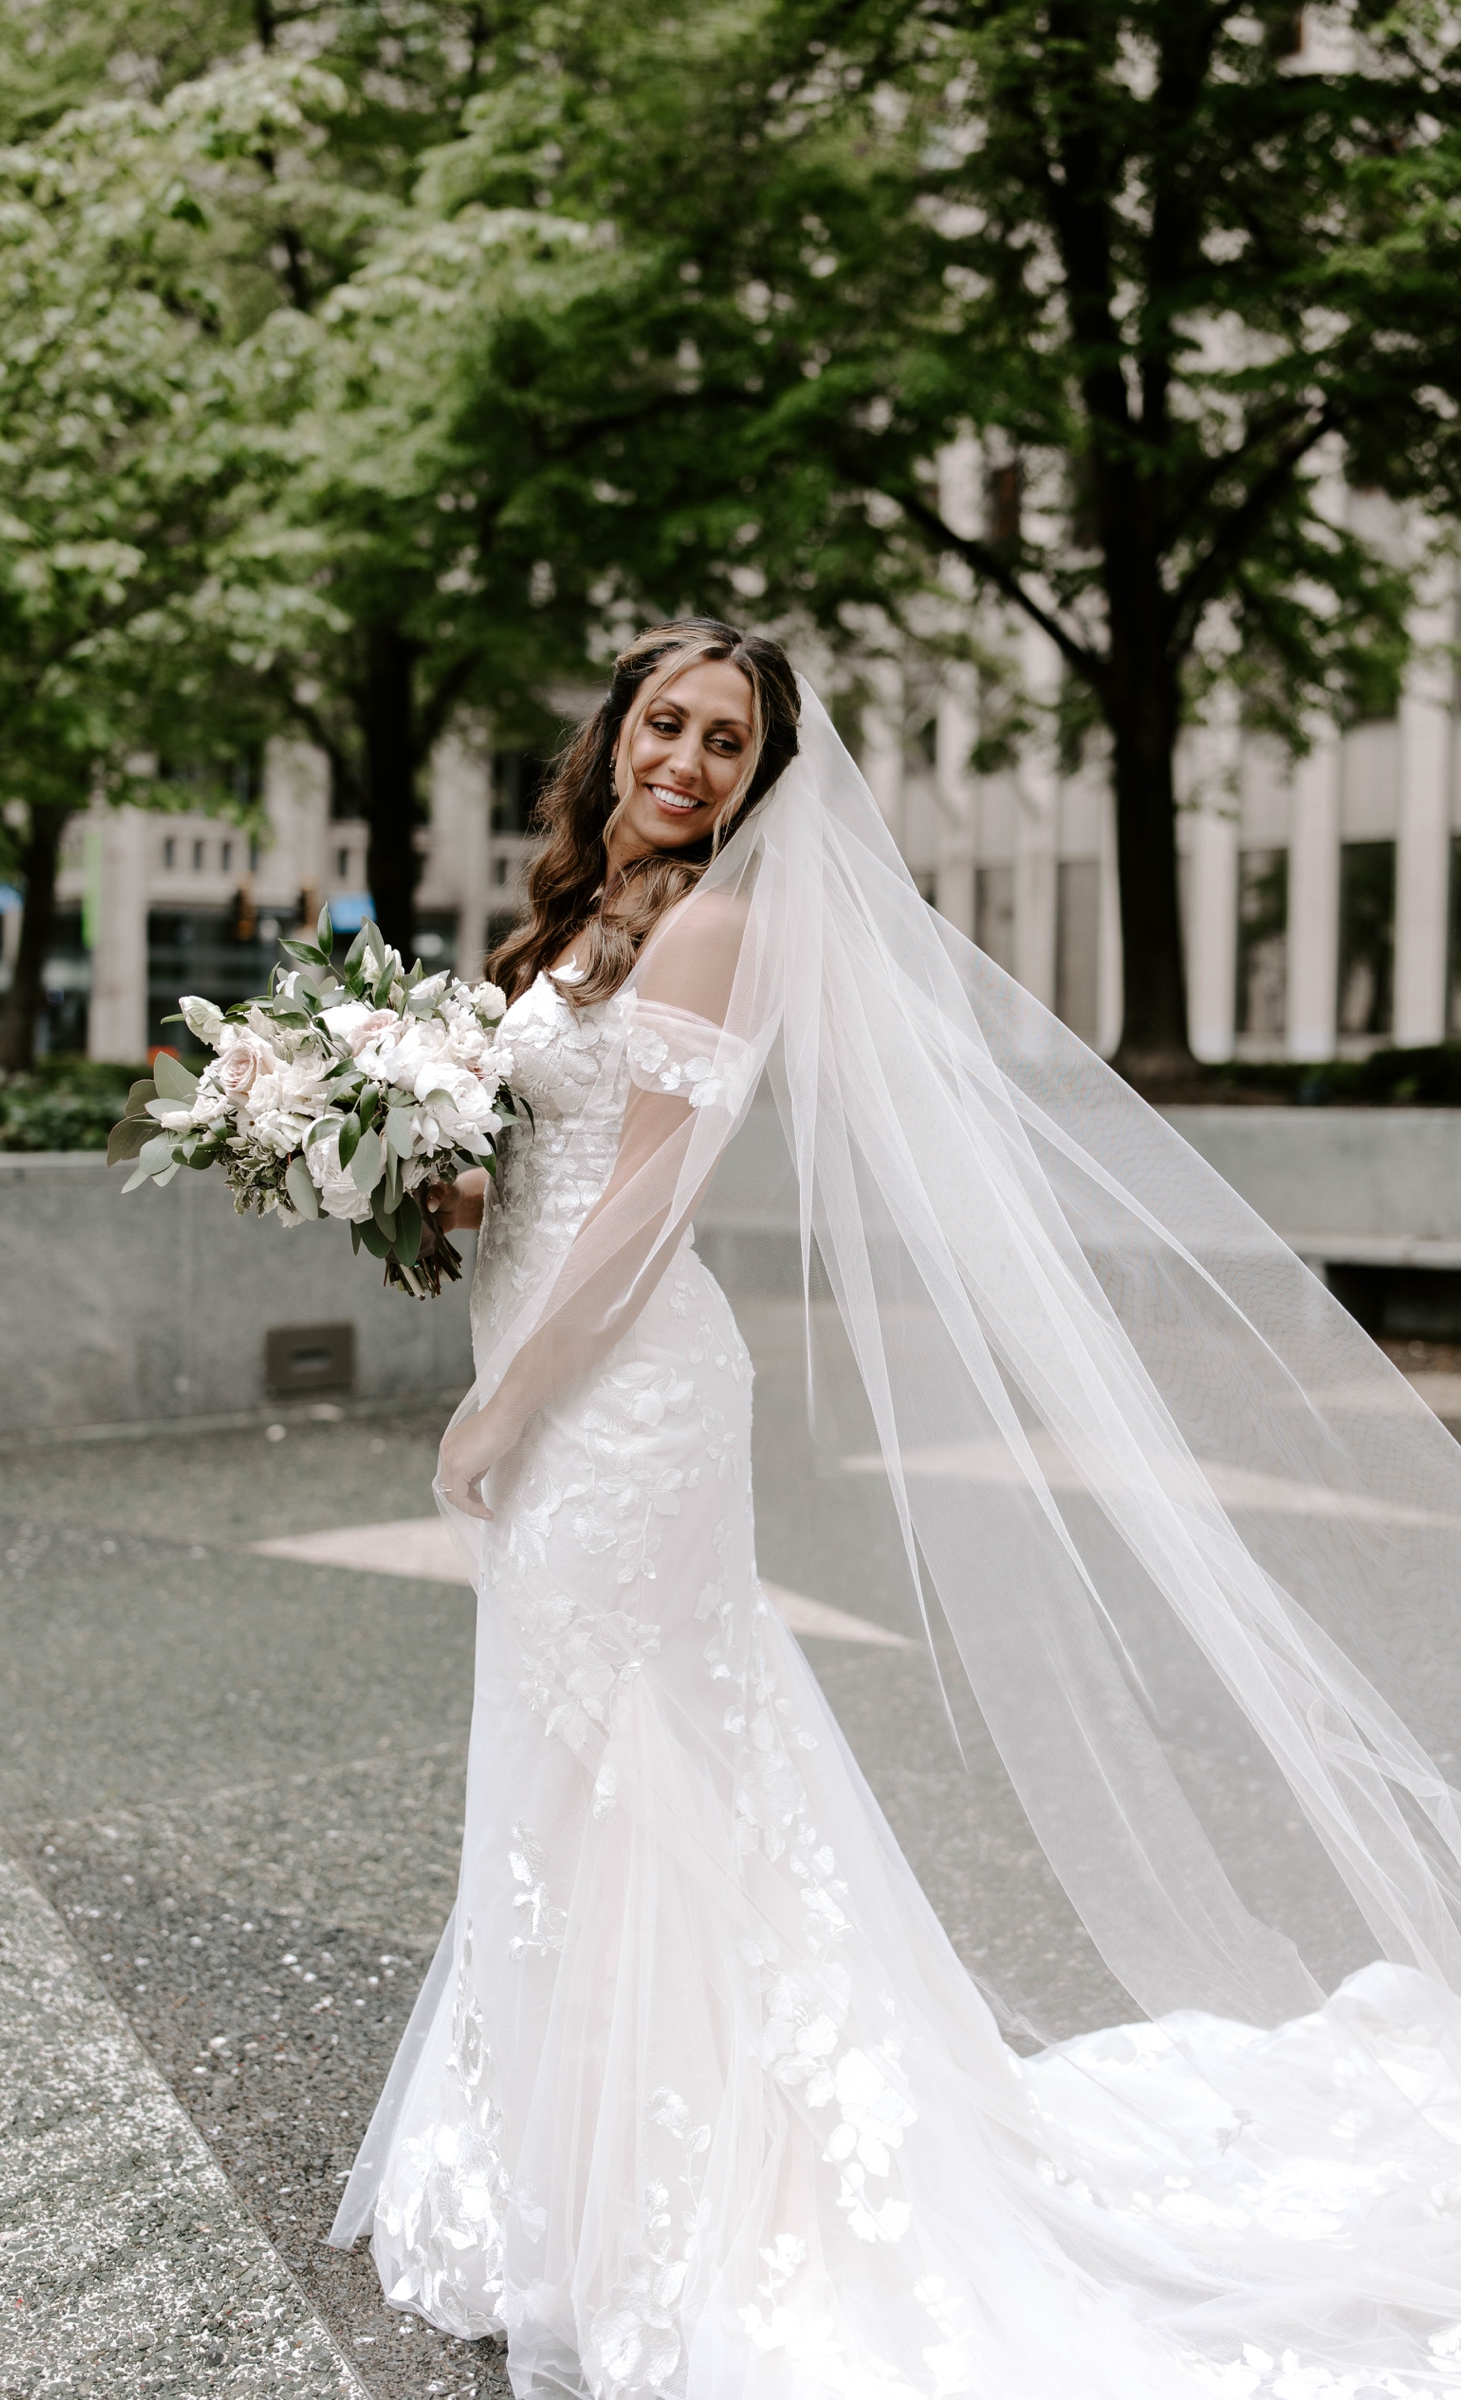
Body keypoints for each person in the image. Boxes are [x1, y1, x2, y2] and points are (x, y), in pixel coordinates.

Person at [333, 619, 1461, 2399]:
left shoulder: (716, 927)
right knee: (582, 1756)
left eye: (729, 740)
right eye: (666, 721)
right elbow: (543, 1172)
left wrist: (505, 1407)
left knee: (649, 1757)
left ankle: (700, 2176)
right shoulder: (568, 922)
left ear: (762, 778)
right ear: (615, 728)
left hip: (625, 1396)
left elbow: (639, 1217)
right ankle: (579, 2152)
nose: (688, 760)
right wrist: (424, 1181)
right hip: (556, 1364)